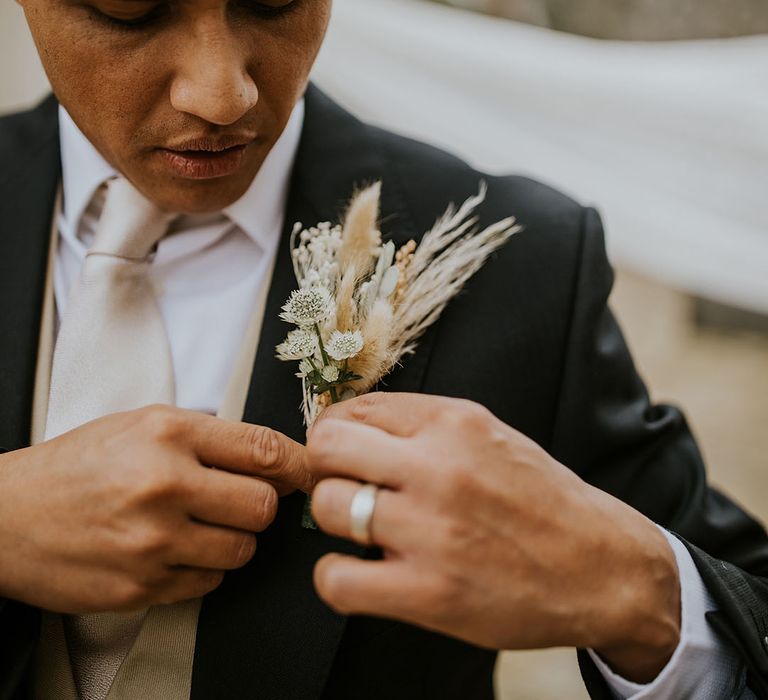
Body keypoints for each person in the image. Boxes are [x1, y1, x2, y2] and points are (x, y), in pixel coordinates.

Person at [0, 1, 765, 698]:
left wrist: (635, 590)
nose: (221, 94)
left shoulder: (518, 263)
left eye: (274, 2)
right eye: (131, 11)